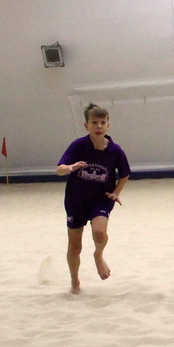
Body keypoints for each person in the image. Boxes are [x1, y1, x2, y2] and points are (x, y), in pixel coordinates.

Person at [56, 103, 131, 294]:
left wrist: (116, 192)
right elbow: (59, 169)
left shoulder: (115, 150)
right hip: (76, 200)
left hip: (100, 199)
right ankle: (75, 282)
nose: (99, 126)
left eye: (102, 122)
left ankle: (98, 255)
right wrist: (70, 167)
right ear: (86, 125)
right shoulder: (78, 146)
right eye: (94, 122)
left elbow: (124, 174)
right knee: (75, 247)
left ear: (108, 125)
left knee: (99, 233)